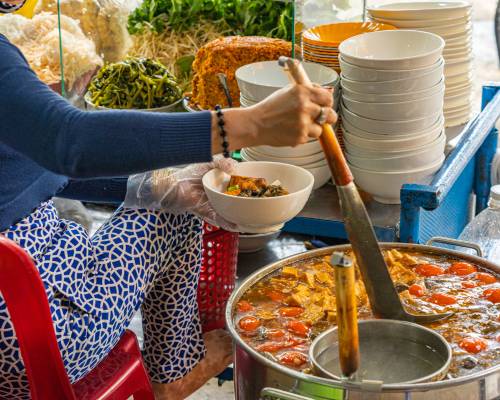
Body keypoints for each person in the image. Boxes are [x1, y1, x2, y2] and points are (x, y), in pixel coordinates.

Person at [0, 17, 337, 400]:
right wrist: (249, 123)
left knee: (164, 199)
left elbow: (25, 162)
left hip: (17, 322)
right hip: (31, 338)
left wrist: (150, 184)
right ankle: (173, 373)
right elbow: (69, 141)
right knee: (172, 217)